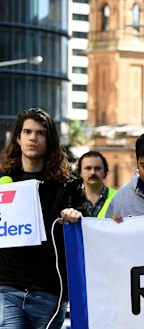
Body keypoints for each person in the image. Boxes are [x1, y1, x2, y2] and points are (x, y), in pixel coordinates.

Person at [0, 108, 88, 329]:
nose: (33, 138)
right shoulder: (3, 181)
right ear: (18, 138)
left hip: (50, 290)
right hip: (7, 288)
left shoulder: (68, 185)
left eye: (40, 133)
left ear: (49, 140)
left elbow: (87, 226)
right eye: (27, 131)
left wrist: (76, 216)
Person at [77, 151, 117, 218]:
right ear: (80, 172)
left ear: (105, 172)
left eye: (97, 168)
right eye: (88, 168)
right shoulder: (71, 200)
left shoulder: (118, 198)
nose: (93, 172)